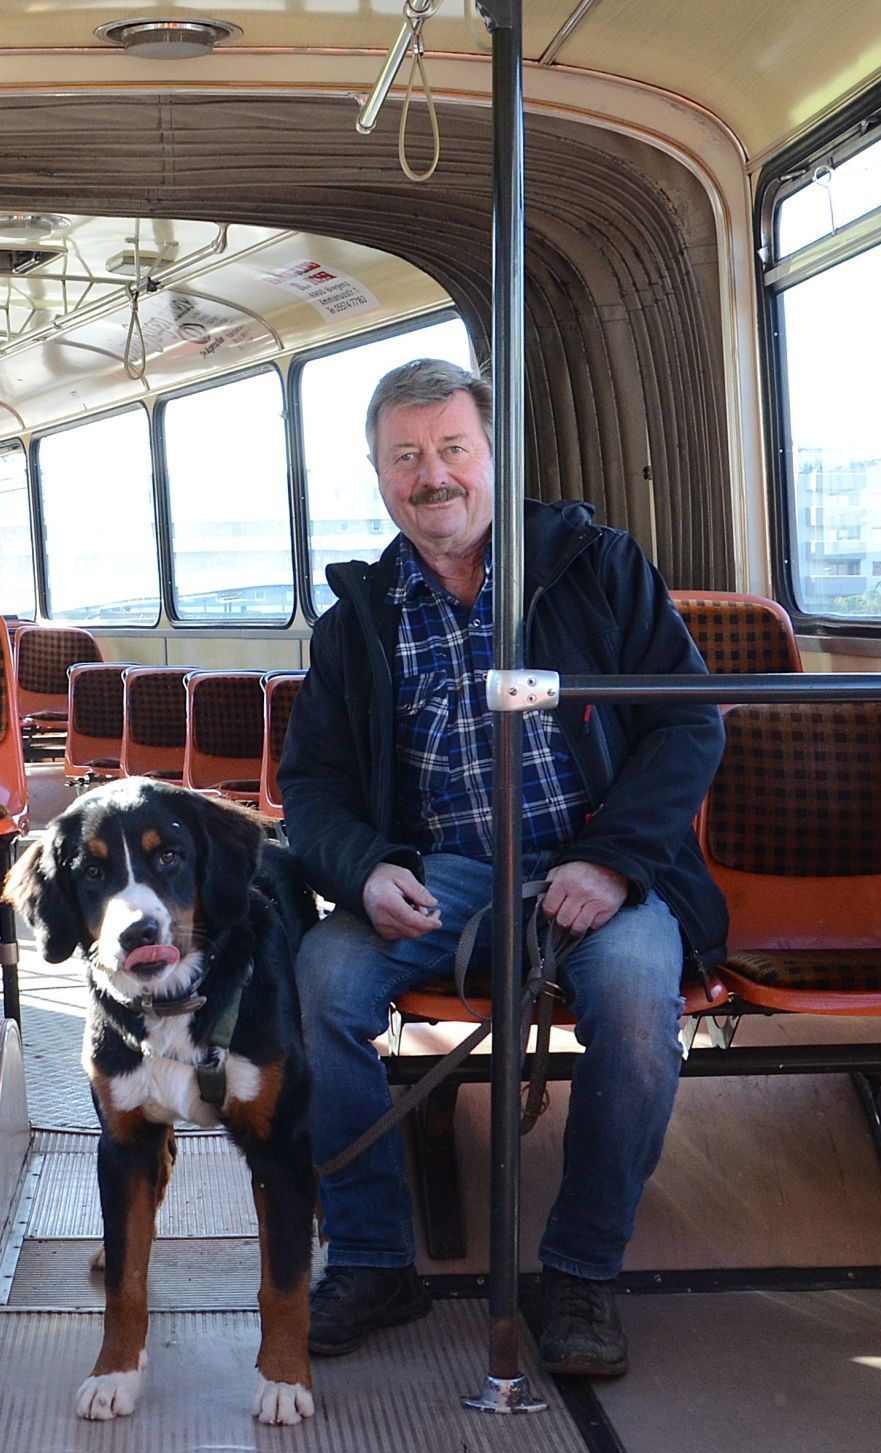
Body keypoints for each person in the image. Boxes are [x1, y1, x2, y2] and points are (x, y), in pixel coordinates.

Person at [278, 357, 726, 1376]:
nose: (429, 476)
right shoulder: (359, 621)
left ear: (492, 458)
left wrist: (611, 863)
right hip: (443, 873)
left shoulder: (594, 568)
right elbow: (311, 788)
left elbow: (687, 724)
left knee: (632, 997)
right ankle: (371, 1255)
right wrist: (362, 875)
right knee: (319, 980)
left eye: (450, 450)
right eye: (404, 457)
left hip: (597, 862)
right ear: (377, 473)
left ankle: (578, 1272)